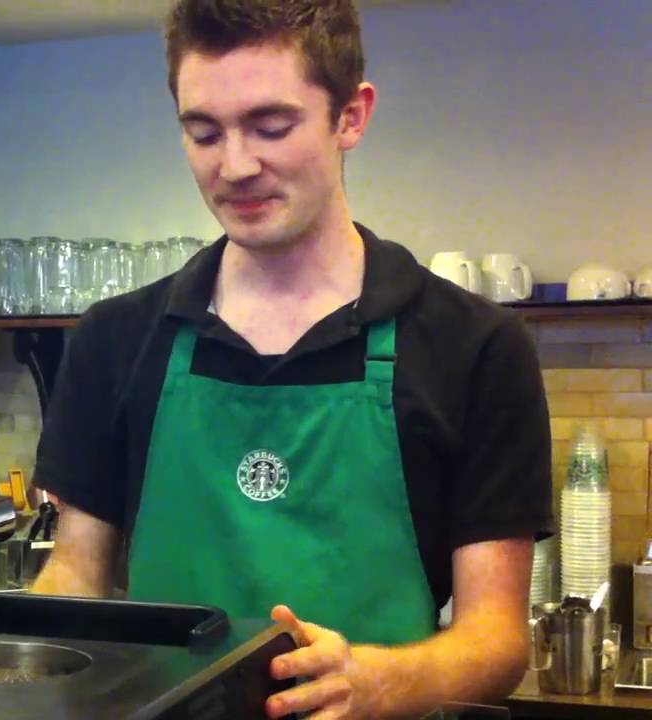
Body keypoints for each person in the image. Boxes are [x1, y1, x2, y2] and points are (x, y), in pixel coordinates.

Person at [29, 1, 553, 717]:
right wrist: (18, 658)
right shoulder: (115, 339)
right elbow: (74, 572)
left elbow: (496, 639)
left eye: (271, 127)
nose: (235, 165)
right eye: (203, 132)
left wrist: (376, 684)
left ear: (351, 116)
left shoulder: (477, 348)